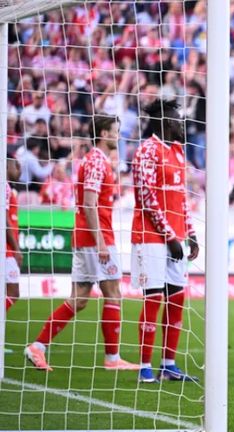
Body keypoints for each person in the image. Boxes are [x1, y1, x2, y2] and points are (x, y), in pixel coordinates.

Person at [24, 114, 139, 372]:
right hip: (95, 237)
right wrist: (100, 242)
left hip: (85, 235)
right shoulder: (97, 162)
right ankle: (112, 359)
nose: (118, 136)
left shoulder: (94, 160)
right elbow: (89, 204)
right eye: (115, 131)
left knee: (80, 298)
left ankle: (38, 347)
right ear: (104, 134)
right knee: (113, 293)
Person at [131, 99, 199, 383]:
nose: (182, 125)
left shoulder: (178, 151)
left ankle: (169, 364)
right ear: (165, 122)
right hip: (150, 236)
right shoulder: (147, 151)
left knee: (177, 297)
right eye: (177, 120)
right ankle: (145, 367)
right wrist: (169, 235)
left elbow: (181, 197)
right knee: (154, 297)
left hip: (176, 236)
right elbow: (146, 197)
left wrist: (190, 233)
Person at [5, 158, 22, 314]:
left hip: (7, 247)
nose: (19, 169)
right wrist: (16, 248)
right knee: (13, 292)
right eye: (16, 166)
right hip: (6, 249)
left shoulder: (7, 187)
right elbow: (4, 220)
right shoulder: (4, 187)